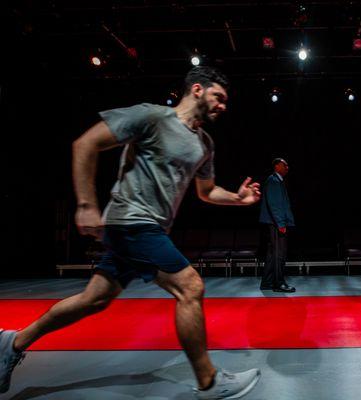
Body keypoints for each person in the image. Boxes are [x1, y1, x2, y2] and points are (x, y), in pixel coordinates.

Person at [0, 66, 262, 399]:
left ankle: (13, 342)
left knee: (93, 300)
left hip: (146, 228)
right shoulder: (151, 117)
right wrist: (85, 204)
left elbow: (206, 191)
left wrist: (239, 199)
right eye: (218, 97)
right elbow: (85, 144)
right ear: (197, 89)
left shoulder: (204, 144)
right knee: (190, 286)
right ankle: (209, 381)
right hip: (131, 221)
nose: (223, 106)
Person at [258, 158, 296, 292]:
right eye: (285, 165)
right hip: (276, 224)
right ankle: (278, 283)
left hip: (274, 223)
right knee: (279, 254)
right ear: (277, 166)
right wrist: (280, 223)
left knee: (272, 254)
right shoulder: (274, 180)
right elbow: (275, 205)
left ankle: (267, 282)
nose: (287, 167)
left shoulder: (276, 181)